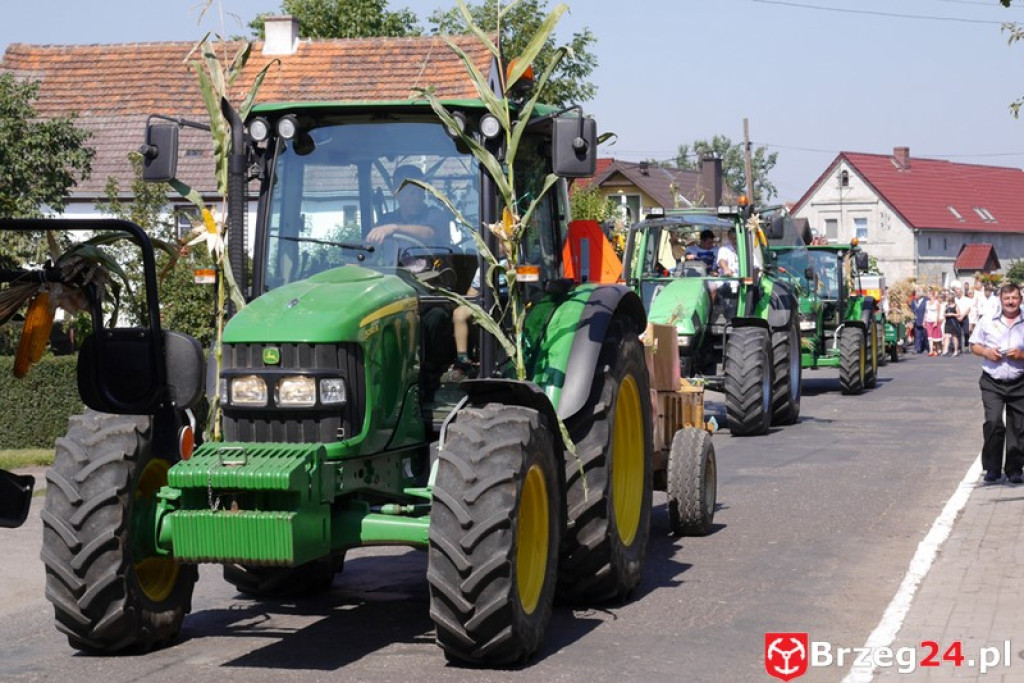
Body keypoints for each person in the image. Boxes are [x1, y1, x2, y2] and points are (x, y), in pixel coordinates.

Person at [969, 283, 1024, 484]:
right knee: (993, 422)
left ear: (1020, 299)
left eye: (1014, 298)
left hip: (1020, 381)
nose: (1010, 302)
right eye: (1007, 298)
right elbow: (974, 345)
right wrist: (986, 352)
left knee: (1018, 427)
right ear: (1001, 300)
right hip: (993, 380)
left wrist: (1021, 355)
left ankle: (1015, 469)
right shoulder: (987, 321)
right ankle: (992, 468)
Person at [367, 165, 450, 245]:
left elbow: (428, 234)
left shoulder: (436, 215)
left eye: (420, 192)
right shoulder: (385, 221)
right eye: (412, 193)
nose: (418, 198)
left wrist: (394, 228)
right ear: (396, 193)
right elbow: (368, 249)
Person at [924, 289, 943, 356]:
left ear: (932, 294)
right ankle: (931, 350)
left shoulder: (936, 302)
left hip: (934, 320)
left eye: (928, 294)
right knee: (930, 337)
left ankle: (938, 349)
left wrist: (936, 321)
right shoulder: (927, 302)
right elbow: (926, 312)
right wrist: (924, 321)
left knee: (936, 337)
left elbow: (938, 312)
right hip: (928, 320)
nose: (927, 295)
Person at [942, 291, 961, 356]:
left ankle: (956, 350)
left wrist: (952, 314)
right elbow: (944, 313)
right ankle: (945, 350)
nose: (948, 299)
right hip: (948, 322)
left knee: (954, 336)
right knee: (947, 336)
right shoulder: (946, 306)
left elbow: (959, 314)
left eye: (949, 297)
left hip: (953, 322)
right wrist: (946, 314)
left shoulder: (956, 306)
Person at [910, 288, 928, 354]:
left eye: (916, 295)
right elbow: (911, 310)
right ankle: (917, 349)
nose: (915, 296)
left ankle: (926, 348)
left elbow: (927, 311)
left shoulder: (926, 301)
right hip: (916, 321)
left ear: (920, 295)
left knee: (925, 336)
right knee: (917, 336)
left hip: (924, 321)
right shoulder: (913, 301)